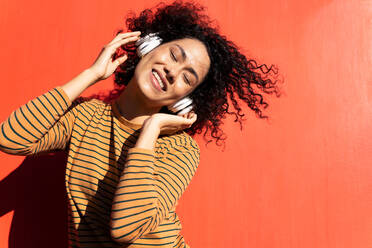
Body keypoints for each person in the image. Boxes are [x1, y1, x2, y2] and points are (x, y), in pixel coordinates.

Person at [0, 1, 282, 247]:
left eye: (188, 78)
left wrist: (150, 131)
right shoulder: (85, 118)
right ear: (150, 46)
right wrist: (91, 74)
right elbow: (10, 139)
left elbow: (126, 229)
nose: (173, 72)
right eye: (174, 56)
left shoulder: (180, 150)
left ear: (186, 99)